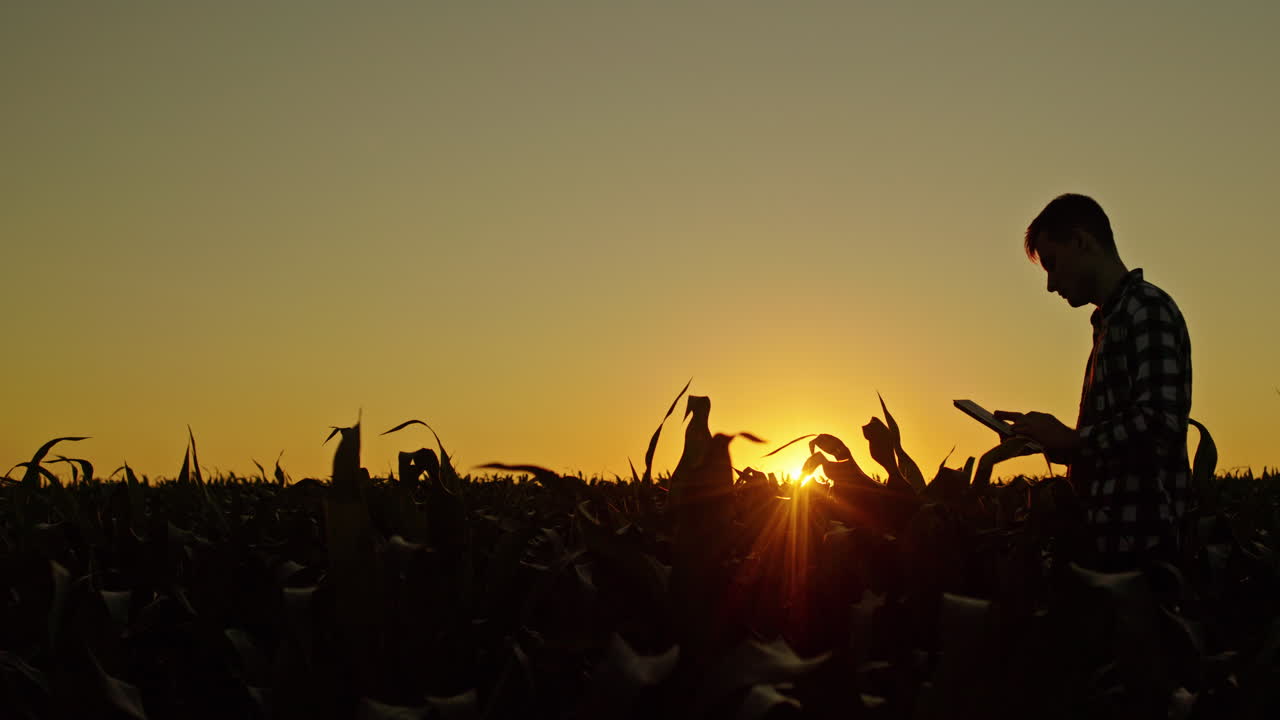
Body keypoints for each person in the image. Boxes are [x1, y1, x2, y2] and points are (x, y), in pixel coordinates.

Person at [993, 193, 1192, 572]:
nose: (1051, 285)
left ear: (1082, 241)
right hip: (1108, 543)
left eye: (1052, 264)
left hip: (1140, 550)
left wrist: (1070, 438)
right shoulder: (1111, 322)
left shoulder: (1145, 311)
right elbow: (1120, 446)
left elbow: (1158, 422)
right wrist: (1048, 440)